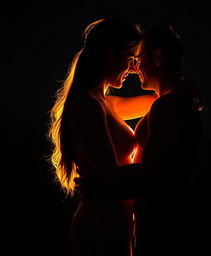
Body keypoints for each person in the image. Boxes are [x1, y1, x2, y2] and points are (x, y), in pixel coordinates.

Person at [48, 18, 157, 256]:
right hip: (101, 222)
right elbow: (111, 178)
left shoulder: (107, 103)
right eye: (131, 60)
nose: (134, 69)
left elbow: (161, 100)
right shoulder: (87, 106)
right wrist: (168, 174)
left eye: (137, 62)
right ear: (110, 55)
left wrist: (185, 86)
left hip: (116, 218)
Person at [131, 24, 203, 255]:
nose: (135, 67)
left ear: (158, 57)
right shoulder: (174, 100)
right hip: (168, 219)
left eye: (139, 58)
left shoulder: (168, 105)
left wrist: (102, 184)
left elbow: (151, 174)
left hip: (161, 224)